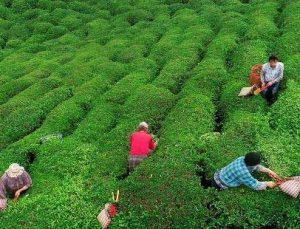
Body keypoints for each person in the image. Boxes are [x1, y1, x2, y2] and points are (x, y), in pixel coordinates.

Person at [212, 152, 279, 191]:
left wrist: (269, 171)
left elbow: (257, 167)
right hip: (220, 184)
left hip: (218, 174)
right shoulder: (243, 173)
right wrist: (267, 183)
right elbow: (255, 185)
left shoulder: (242, 158)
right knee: (214, 191)